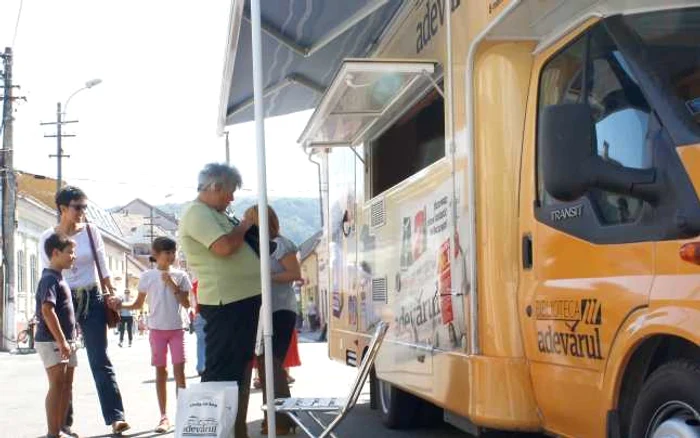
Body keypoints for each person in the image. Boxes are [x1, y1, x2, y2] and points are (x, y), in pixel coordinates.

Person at [178, 163, 261, 438]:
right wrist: (246, 224)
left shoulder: (214, 213)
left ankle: (234, 430)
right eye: (229, 192)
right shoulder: (196, 213)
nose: (232, 198)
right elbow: (224, 247)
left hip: (240, 300)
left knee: (237, 369)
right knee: (222, 371)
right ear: (215, 187)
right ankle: (211, 431)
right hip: (227, 302)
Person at [39, 186, 130, 436]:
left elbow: (103, 266)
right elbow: (48, 273)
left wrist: (110, 293)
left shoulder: (91, 231)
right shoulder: (48, 236)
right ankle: (63, 421)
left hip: (92, 297)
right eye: (78, 207)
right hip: (62, 299)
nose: (82, 212)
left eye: (85, 207)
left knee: (100, 359)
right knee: (65, 364)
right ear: (63, 208)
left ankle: (116, 417)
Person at [118, 237, 192, 433]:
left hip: (177, 329)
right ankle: (163, 417)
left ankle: (182, 414)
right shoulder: (147, 276)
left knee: (180, 373)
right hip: (157, 330)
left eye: (173, 252)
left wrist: (172, 284)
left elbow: (187, 304)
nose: (171, 256)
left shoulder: (181, 275)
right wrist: (120, 305)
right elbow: (137, 304)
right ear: (156, 255)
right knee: (161, 372)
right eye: (166, 253)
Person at [245, 205, 301, 436]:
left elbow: (295, 274)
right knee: (266, 363)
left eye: (248, 219)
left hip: (280, 309)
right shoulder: (253, 246)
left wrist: (267, 277)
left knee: (270, 363)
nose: (244, 223)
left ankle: (281, 419)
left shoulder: (281, 243)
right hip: (263, 310)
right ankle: (279, 417)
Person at [35, 233, 78, 438]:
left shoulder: (59, 278)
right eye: (70, 252)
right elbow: (47, 311)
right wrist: (61, 341)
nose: (73, 256)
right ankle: (53, 433)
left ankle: (60, 429)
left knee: (66, 386)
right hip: (52, 340)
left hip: (66, 341)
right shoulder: (49, 278)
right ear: (55, 253)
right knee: (57, 385)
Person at [190, 277, 207, 376]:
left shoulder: (194, 283)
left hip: (199, 314)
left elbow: (192, 302)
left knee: (201, 343)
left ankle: (201, 367)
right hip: (211, 313)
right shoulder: (210, 279)